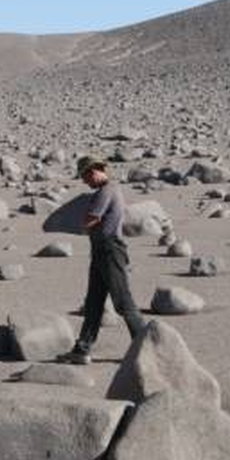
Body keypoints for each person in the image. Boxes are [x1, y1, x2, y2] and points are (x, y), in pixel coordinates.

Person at [58, 155, 148, 365]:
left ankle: (146, 346)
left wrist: (77, 222)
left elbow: (91, 219)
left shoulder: (107, 190)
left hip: (110, 251)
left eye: (85, 176)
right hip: (101, 251)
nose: (84, 181)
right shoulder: (107, 190)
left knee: (123, 301)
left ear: (94, 172)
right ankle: (82, 349)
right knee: (93, 303)